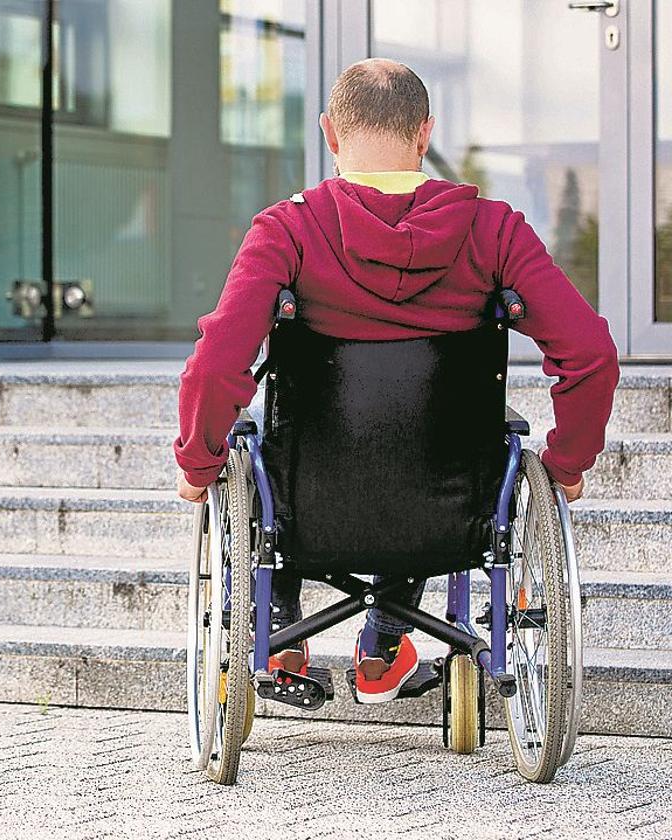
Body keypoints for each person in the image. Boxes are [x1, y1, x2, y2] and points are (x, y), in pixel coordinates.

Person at [173, 58, 620, 704]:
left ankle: (280, 623)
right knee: (429, 443)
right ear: (424, 134)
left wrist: (197, 459)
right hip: (446, 508)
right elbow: (591, 354)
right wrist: (569, 461)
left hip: (305, 506)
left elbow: (218, 365)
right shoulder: (494, 231)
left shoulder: (288, 231)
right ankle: (383, 644)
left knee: (264, 439)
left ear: (330, 134)